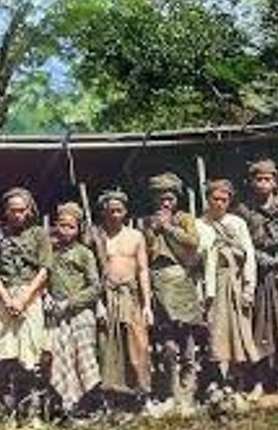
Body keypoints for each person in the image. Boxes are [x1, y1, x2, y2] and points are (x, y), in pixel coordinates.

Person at [236, 159, 278, 395]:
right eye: (259, 179)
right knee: (260, 327)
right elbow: (241, 244)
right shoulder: (244, 211)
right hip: (259, 275)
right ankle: (260, 381)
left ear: (275, 182)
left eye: (268, 179)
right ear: (252, 182)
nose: (263, 184)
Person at [0, 187, 52, 418]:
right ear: (6, 211)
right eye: (12, 210)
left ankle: (31, 409)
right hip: (5, 296)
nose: (17, 215)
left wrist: (25, 298)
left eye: (21, 210)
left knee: (31, 352)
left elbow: (44, 269)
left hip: (30, 296)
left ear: (29, 211)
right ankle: (8, 409)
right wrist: (7, 299)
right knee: (6, 351)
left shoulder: (39, 235)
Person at [88, 188, 152, 410]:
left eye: (119, 210)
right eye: (111, 211)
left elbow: (143, 270)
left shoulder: (136, 236)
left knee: (137, 345)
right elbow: (91, 271)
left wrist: (147, 305)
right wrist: (98, 303)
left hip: (131, 297)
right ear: (103, 212)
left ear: (125, 212)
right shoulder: (96, 237)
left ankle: (141, 394)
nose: (115, 215)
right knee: (109, 346)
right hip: (106, 297)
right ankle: (112, 397)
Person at [143, 173, 202, 410]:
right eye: (161, 199)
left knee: (186, 334)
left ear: (177, 199)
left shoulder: (184, 218)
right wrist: (152, 231)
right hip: (158, 280)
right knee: (165, 338)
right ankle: (171, 387)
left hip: (180, 278)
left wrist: (167, 227)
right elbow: (147, 252)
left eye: (170, 198)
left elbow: (193, 242)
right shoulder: (147, 221)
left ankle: (189, 385)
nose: (166, 203)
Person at [196, 180, 259, 391]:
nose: (220, 203)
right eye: (215, 199)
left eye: (224, 200)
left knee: (239, 332)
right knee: (216, 332)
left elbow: (249, 256)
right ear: (208, 199)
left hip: (236, 283)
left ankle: (239, 382)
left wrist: (249, 288)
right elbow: (196, 260)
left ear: (229, 201)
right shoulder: (200, 224)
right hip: (212, 286)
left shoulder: (237, 223)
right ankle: (220, 382)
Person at [46, 202, 101, 416]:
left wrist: (70, 303)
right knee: (61, 357)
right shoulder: (50, 252)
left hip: (80, 313)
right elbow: (43, 277)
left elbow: (95, 287)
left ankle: (89, 406)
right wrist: (47, 296)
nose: (65, 230)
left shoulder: (84, 253)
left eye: (71, 227)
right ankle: (65, 406)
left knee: (84, 358)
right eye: (62, 225)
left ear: (78, 229)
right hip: (57, 314)